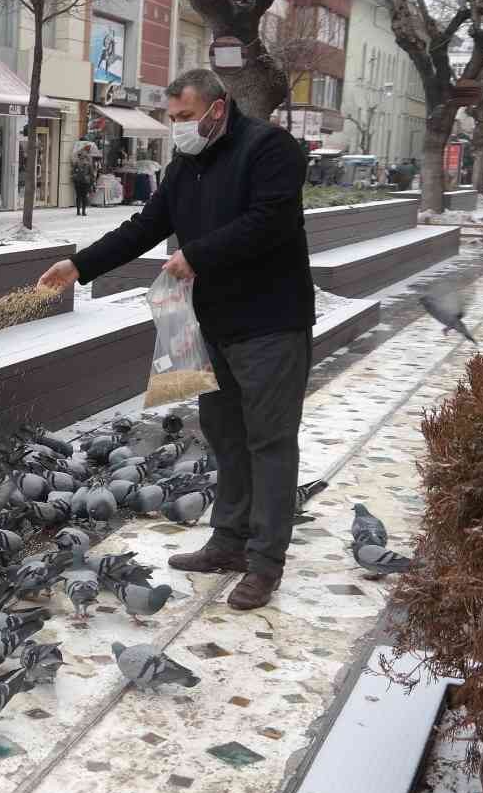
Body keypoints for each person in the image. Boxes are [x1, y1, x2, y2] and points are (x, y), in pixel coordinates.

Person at [38, 68, 312, 612]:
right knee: (225, 435)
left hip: (270, 324)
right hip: (211, 324)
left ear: (217, 108)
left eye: (185, 117)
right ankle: (229, 541)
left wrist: (198, 254)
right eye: (172, 118)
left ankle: (265, 563)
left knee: (269, 441)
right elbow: (145, 225)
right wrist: (80, 264)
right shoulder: (187, 163)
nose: (177, 127)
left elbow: (269, 222)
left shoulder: (270, 149)